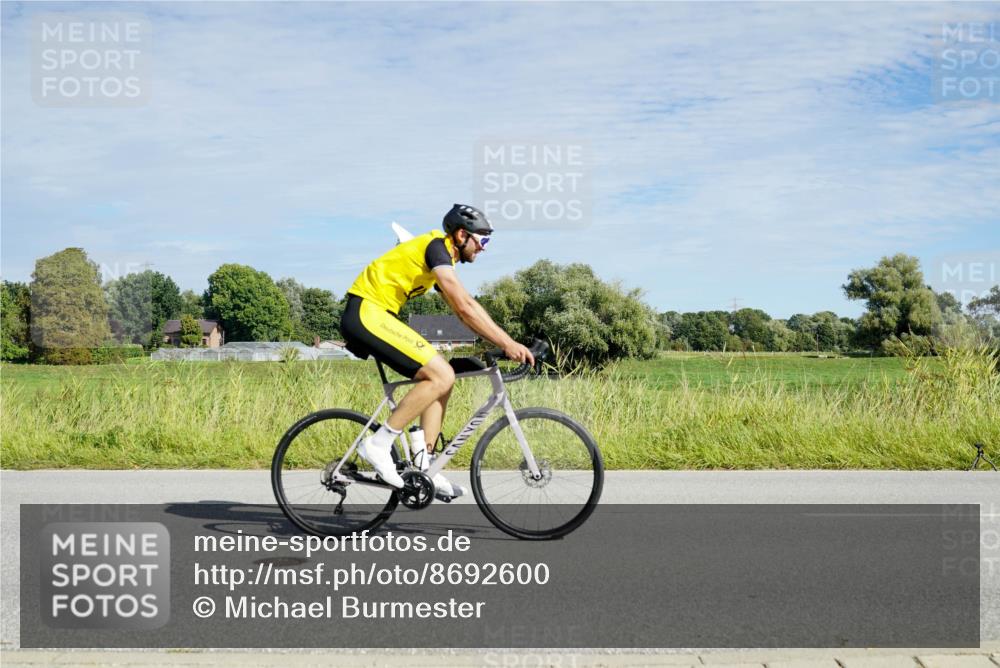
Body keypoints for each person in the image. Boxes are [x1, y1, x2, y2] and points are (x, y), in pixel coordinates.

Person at [340, 204, 534, 498]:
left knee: (443, 375)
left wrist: (496, 343)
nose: (484, 248)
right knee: (440, 374)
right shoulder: (436, 248)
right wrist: (507, 343)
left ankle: (424, 465)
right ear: (461, 235)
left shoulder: (442, 259)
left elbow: (463, 311)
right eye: (483, 240)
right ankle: (377, 445)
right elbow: (465, 305)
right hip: (367, 312)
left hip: (379, 315)